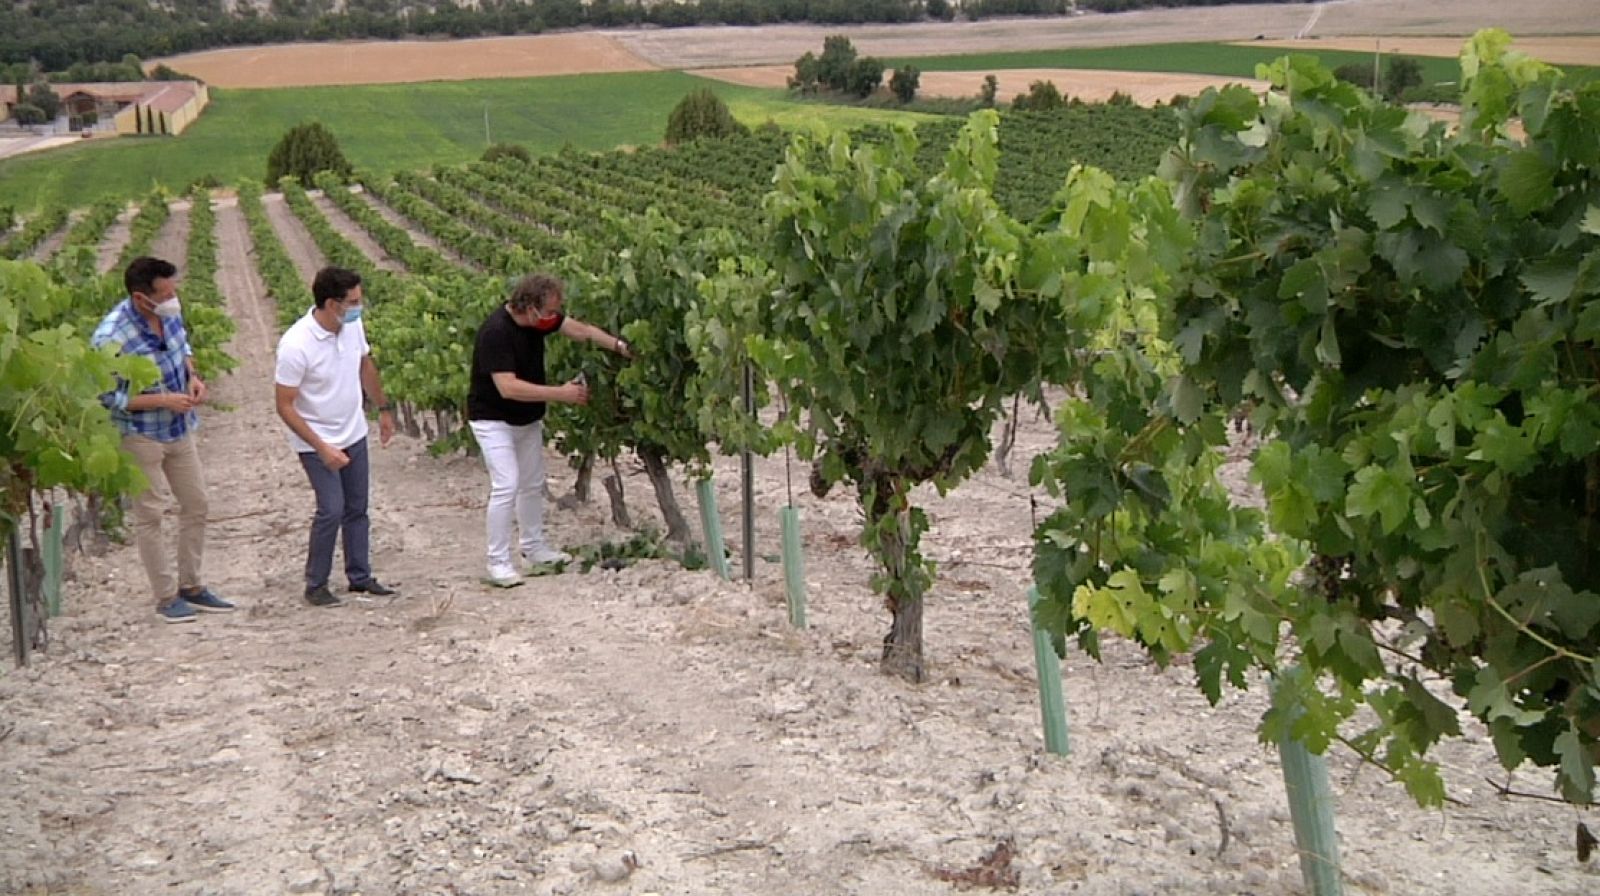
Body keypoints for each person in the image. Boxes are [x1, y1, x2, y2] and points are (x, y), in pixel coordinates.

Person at [91, 256, 234, 624]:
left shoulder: (169, 314)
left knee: (196, 503)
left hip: (179, 427)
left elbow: (182, 349)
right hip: (140, 435)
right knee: (150, 513)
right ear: (142, 298)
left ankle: (193, 585)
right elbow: (107, 397)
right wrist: (162, 400)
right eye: (166, 294)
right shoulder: (111, 337)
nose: (174, 299)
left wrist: (193, 379)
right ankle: (166, 596)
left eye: (174, 291)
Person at [467, 273, 631, 587]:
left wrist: (619, 346)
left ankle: (534, 547)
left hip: (526, 418)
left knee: (532, 484)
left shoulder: (541, 320)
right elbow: (508, 388)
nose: (554, 319)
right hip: (493, 419)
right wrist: (562, 393)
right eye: (549, 312)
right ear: (529, 307)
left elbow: (581, 330)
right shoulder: (496, 332)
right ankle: (498, 562)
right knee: (507, 484)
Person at [274, 266, 399, 607]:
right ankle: (315, 584)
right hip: (316, 439)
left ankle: (360, 577)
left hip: (353, 430)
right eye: (354, 301)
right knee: (331, 508)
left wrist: (383, 408)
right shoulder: (295, 345)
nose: (360, 307)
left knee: (357, 507)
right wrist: (321, 447)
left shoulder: (351, 325)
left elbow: (364, 365)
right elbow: (284, 405)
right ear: (332, 304)